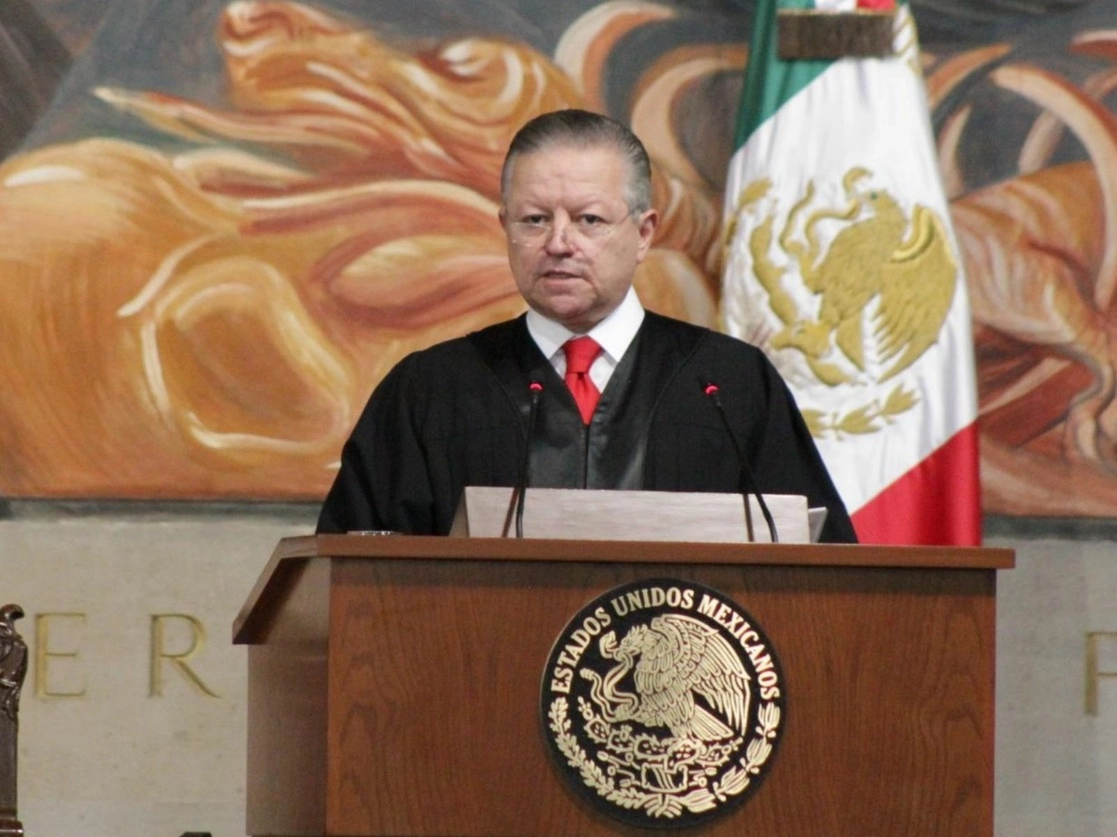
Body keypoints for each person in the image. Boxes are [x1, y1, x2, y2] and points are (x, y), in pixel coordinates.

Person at [317, 109, 857, 543]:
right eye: (534, 220)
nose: (558, 242)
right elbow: (356, 585)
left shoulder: (728, 384)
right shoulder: (430, 392)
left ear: (644, 233)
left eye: (588, 220)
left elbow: (821, 575)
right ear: (505, 228)